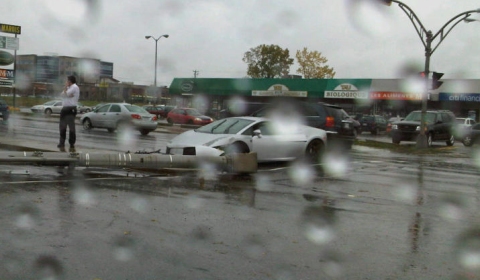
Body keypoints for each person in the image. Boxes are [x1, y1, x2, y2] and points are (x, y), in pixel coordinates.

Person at [58, 75, 79, 152]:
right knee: (62, 126)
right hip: (65, 108)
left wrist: (65, 91)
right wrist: (66, 93)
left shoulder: (74, 87)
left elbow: (65, 95)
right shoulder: (69, 88)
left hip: (71, 109)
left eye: (67, 81)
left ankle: (71, 143)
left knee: (71, 127)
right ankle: (61, 143)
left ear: (70, 81)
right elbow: (62, 95)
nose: (66, 82)